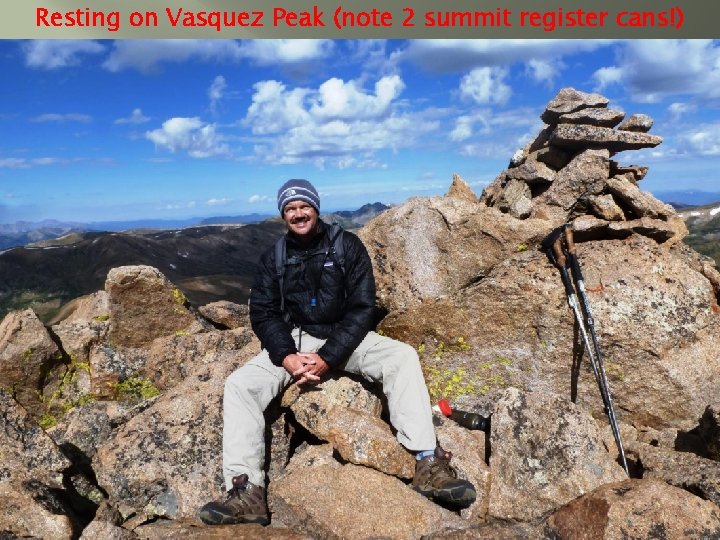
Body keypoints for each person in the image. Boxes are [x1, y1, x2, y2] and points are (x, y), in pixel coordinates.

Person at [198, 179, 476, 525]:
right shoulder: (274, 257)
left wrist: (328, 355)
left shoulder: (347, 246)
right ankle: (246, 491)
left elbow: (362, 308)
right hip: (294, 339)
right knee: (241, 385)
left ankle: (428, 463)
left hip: (343, 336)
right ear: (283, 214)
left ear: (315, 208)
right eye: (290, 208)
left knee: (401, 357)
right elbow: (264, 312)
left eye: (304, 206)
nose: (298, 214)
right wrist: (286, 355)